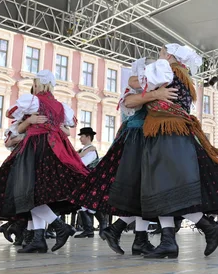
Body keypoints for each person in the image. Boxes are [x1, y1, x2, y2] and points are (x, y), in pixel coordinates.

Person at [115, 45, 218, 259]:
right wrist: (154, 93)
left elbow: (133, 82)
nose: (158, 57)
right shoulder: (183, 74)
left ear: (169, 56)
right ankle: (175, 239)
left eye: (160, 53)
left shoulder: (168, 69)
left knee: (163, 185)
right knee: (164, 188)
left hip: (166, 132)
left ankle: (198, 231)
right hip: (174, 132)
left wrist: (151, 92)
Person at [0, 69, 87, 253]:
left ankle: (59, 227)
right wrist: (55, 125)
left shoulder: (33, 100)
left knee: (27, 192)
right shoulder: (62, 106)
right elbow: (73, 122)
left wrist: (29, 120)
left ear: (37, 84)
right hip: (56, 148)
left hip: (35, 148)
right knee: (36, 195)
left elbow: (10, 112)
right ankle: (38, 238)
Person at [71, 61, 177, 256]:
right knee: (146, 187)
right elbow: (129, 102)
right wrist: (154, 94)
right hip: (138, 138)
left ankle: (134, 237)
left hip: (150, 137)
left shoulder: (164, 82)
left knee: (145, 189)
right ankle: (136, 236)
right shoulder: (140, 83)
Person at [74, 127, 107, 238]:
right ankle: (89, 229)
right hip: (85, 181)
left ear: (88, 137)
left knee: (91, 204)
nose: (80, 139)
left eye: (82, 136)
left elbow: (83, 164)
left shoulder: (91, 150)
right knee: (83, 205)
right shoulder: (83, 150)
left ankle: (102, 225)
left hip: (91, 181)